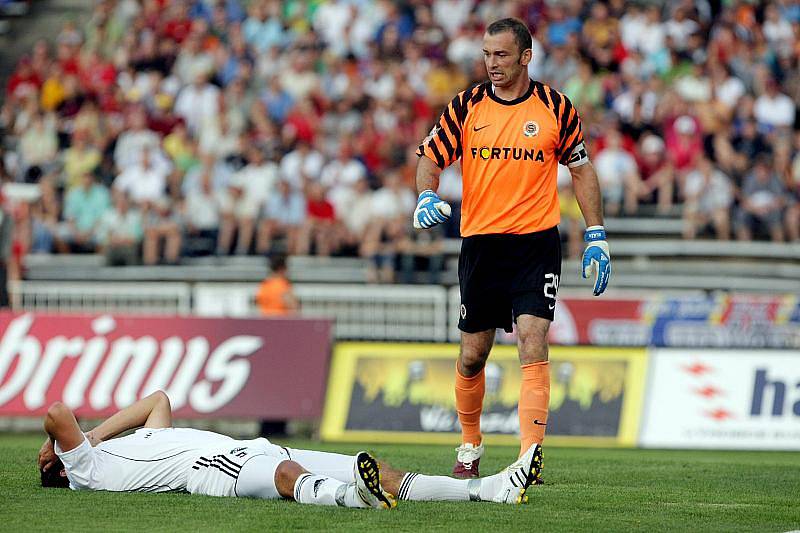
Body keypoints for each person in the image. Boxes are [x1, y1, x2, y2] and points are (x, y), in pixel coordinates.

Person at [413, 18, 610, 477]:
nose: (491, 63)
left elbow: (581, 169)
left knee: (533, 340)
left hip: (535, 243)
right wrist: (426, 194)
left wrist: (596, 233)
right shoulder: (466, 107)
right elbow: (429, 157)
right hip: (481, 244)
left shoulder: (556, 108)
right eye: (486, 54)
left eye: (501, 54)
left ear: (525, 57)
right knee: (472, 354)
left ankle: (528, 457)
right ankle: (469, 445)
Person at [38, 391, 542, 508]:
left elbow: (158, 401)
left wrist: (103, 434)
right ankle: (351, 498)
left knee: (378, 468)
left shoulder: (132, 441)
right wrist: (66, 448)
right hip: (212, 470)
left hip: (245, 446)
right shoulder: (88, 470)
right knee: (288, 479)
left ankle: (488, 489)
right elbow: (59, 413)